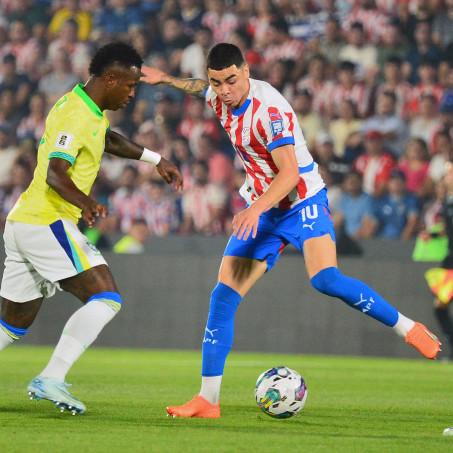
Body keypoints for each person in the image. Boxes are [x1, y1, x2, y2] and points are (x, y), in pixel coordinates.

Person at [141, 43, 441, 419]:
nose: (224, 90)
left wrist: (254, 208)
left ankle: (408, 328)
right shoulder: (219, 98)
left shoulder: (271, 110)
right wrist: (166, 79)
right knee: (223, 297)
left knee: (325, 279)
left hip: (301, 202)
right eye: (218, 83)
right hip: (264, 205)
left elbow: (290, 174)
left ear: (247, 71)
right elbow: (199, 86)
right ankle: (208, 400)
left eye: (231, 80)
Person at [0, 42, 182, 415]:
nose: (132, 94)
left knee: (11, 323)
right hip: (45, 220)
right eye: (129, 86)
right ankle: (51, 377)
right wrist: (86, 202)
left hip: (23, 221)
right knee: (106, 298)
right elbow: (56, 173)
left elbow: (107, 140)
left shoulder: (83, 106)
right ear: (110, 78)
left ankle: (50, 375)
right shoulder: (77, 116)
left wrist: (155, 159)